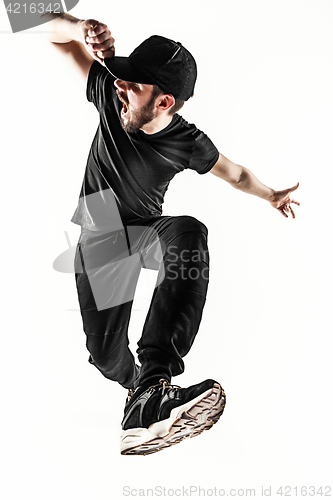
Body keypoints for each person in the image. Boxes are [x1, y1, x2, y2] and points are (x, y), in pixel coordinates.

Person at [43, 12, 300, 456]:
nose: (122, 90)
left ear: (165, 102)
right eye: (122, 81)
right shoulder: (110, 92)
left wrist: (271, 194)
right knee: (105, 358)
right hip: (98, 228)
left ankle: (157, 375)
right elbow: (48, 33)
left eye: (135, 87)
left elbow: (235, 173)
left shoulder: (187, 141)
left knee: (187, 233)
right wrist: (78, 25)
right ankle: (140, 395)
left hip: (145, 230)